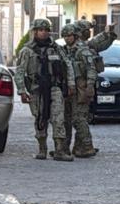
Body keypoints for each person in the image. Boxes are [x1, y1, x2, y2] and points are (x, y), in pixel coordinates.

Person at [13, 18, 75, 161]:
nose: (44, 33)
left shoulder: (56, 48)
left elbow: (68, 65)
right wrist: (22, 91)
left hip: (55, 88)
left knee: (58, 118)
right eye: (41, 30)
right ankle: (42, 150)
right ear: (35, 32)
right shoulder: (27, 51)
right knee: (40, 118)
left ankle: (59, 150)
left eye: (47, 30)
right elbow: (20, 72)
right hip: (37, 90)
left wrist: (70, 84)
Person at [62, 23, 98, 158]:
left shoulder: (83, 51)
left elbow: (91, 69)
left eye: (69, 36)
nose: (67, 38)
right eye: (64, 36)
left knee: (79, 119)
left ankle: (87, 146)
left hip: (81, 88)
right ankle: (67, 148)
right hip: (67, 89)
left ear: (75, 36)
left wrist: (90, 86)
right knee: (66, 119)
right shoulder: (64, 50)